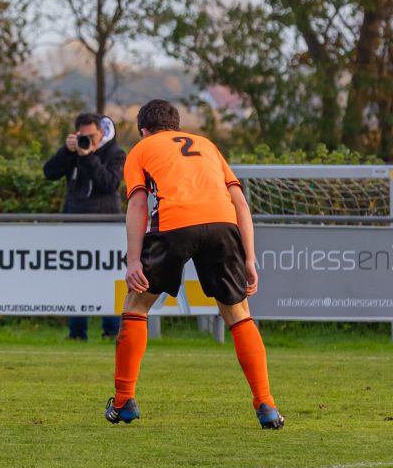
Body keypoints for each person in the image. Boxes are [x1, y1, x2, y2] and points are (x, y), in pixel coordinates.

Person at [104, 99, 284, 429]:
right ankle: (266, 405)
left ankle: (123, 401)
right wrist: (250, 258)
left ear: (144, 130)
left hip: (174, 224)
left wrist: (133, 261)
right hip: (223, 224)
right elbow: (240, 202)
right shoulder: (207, 145)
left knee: (135, 307)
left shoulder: (142, 151)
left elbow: (139, 204)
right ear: (177, 125)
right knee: (238, 314)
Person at [43, 113, 125, 340]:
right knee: (76, 280)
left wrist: (88, 157)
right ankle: (77, 333)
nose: (88, 140)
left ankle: (111, 332)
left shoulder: (116, 153)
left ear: (102, 132)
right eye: (83, 136)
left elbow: (109, 183)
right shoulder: (73, 151)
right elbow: (49, 173)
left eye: (92, 136)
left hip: (105, 226)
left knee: (109, 280)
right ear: (76, 134)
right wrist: (66, 151)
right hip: (75, 226)